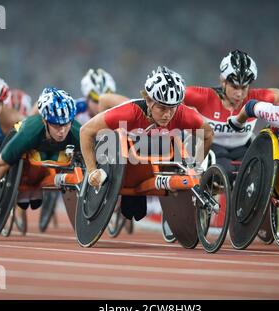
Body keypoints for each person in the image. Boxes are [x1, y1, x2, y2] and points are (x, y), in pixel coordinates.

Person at [79, 66, 213, 221]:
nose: (167, 114)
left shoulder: (183, 114)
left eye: (172, 108)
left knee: (176, 144)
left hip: (160, 163)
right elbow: (86, 131)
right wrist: (92, 171)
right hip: (128, 168)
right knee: (133, 211)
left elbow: (208, 134)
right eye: (162, 108)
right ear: (149, 101)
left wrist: (195, 166)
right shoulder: (130, 112)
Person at [183, 49, 279, 183]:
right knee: (225, 170)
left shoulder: (257, 97)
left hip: (242, 148)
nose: (239, 94)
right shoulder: (204, 97)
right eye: (234, 87)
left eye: (244, 88)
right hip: (212, 148)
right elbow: (174, 96)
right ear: (223, 82)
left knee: (257, 172)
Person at [0, 87, 81, 212]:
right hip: (30, 153)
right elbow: (1, 164)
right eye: (56, 125)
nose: (62, 131)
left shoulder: (77, 132)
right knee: (23, 157)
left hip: (53, 157)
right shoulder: (29, 133)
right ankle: (25, 186)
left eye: (66, 124)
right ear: (44, 120)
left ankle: (36, 186)